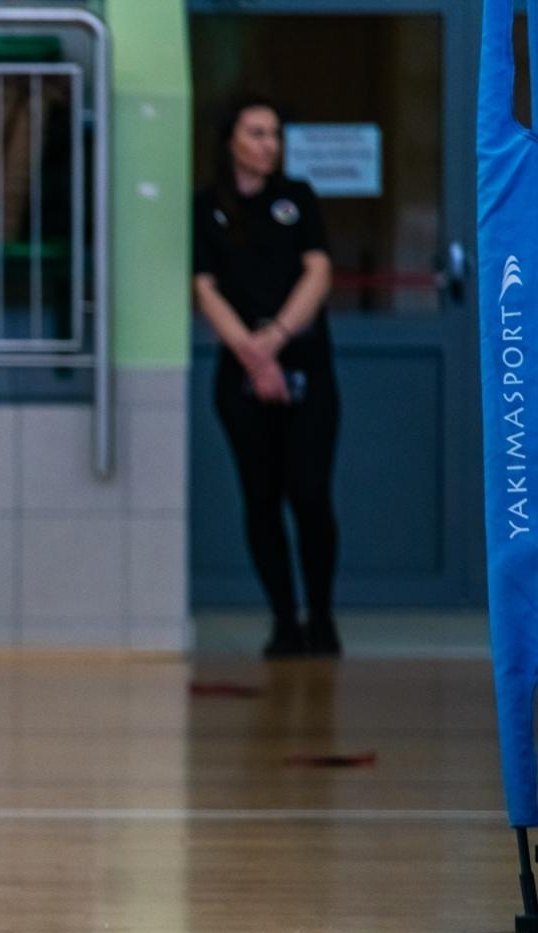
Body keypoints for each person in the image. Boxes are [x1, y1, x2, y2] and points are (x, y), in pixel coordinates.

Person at [193, 97, 340, 658]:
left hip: (305, 364)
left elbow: (319, 271)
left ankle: (322, 617)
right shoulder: (207, 207)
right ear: (230, 139)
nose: (268, 144)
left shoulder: (296, 198)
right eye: (256, 133)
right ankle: (284, 621)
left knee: (309, 492)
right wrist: (254, 360)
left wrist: (275, 340)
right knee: (261, 498)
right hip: (242, 375)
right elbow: (204, 288)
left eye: (275, 134)